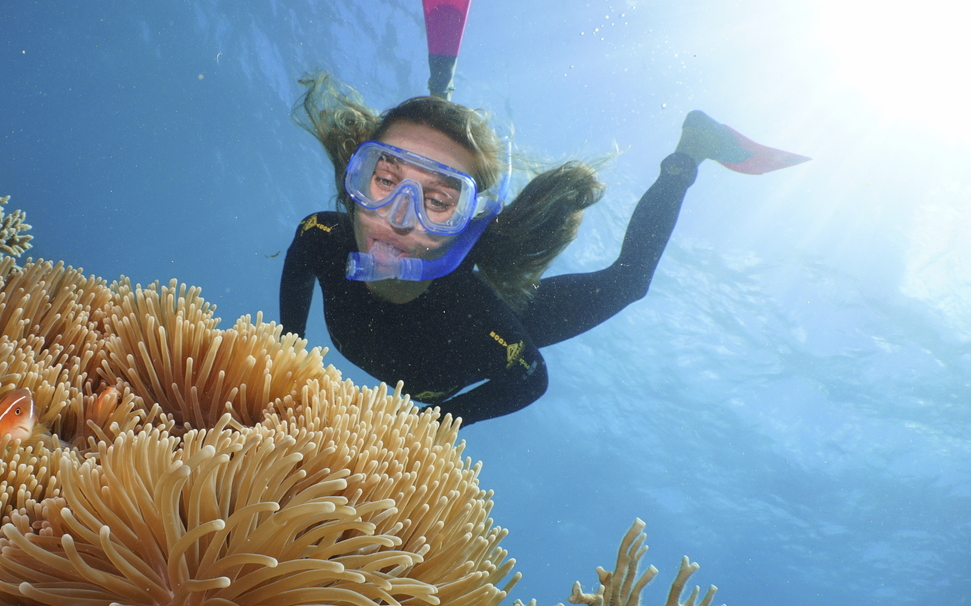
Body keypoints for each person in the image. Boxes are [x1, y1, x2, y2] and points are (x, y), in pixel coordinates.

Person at [280, 74, 808, 425]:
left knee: (630, 282)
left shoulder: (485, 322)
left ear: (468, 226)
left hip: (512, 307)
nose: (398, 216)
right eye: (385, 179)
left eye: (438, 201)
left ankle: (689, 152)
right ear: (355, 178)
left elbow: (527, 381)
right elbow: (289, 328)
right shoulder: (320, 238)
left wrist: (433, 424)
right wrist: (288, 359)